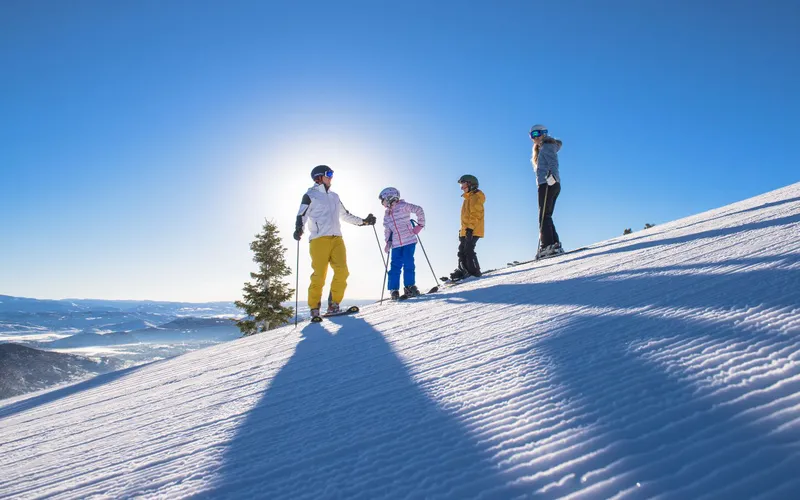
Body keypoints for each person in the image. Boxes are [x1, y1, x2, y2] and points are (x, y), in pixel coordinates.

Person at [293, 165, 376, 319]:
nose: (331, 177)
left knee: (342, 271)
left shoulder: (334, 196)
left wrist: (364, 222)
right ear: (318, 177)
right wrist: (299, 228)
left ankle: (334, 305)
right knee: (319, 275)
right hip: (319, 240)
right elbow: (302, 214)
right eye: (329, 174)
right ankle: (314, 308)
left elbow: (345, 215)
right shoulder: (310, 195)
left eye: (332, 174)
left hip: (337, 239)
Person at [379, 187, 426, 300]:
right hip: (396, 244)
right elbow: (387, 229)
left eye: (383, 201)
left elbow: (419, 210)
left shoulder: (403, 206)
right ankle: (393, 289)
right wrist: (388, 242)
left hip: (409, 240)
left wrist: (420, 226)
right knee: (395, 266)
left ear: (390, 197)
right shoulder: (387, 214)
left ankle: (409, 286)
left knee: (408, 263)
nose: (382, 204)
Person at [530, 124, 564, 259]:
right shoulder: (542, 148)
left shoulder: (548, 146)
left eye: (537, 134)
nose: (534, 138)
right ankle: (554, 244)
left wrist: (553, 177)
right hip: (549, 183)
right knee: (546, 215)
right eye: (532, 135)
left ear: (544, 133)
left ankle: (547, 245)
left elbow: (553, 163)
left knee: (543, 216)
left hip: (548, 183)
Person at [450, 174, 484, 281]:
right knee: (461, 250)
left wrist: (470, 228)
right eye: (461, 186)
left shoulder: (475, 197)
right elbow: (465, 218)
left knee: (468, 249)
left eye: (463, 185)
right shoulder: (467, 198)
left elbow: (476, 214)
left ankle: (474, 271)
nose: (462, 188)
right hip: (466, 230)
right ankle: (463, 270)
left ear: (471, 184)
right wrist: (462, 232)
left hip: (473, 229)